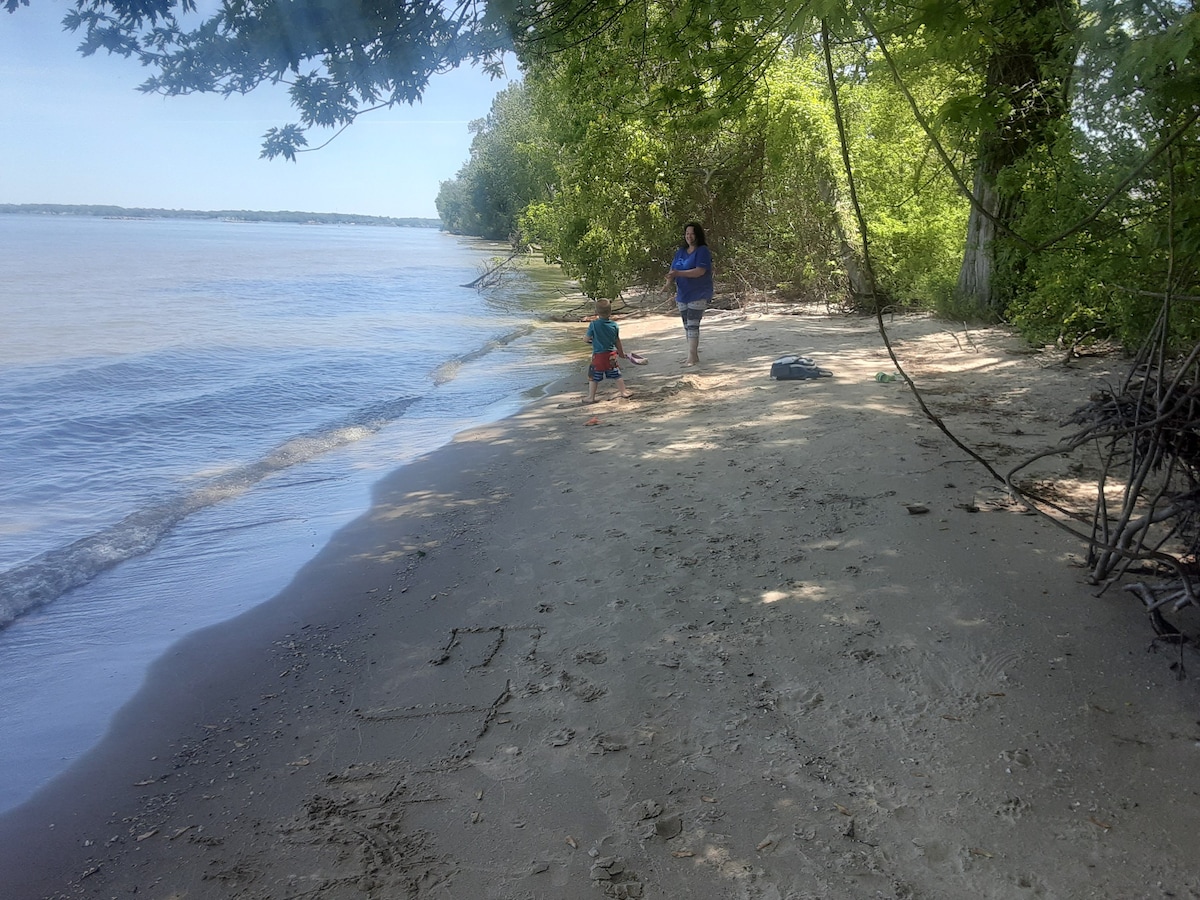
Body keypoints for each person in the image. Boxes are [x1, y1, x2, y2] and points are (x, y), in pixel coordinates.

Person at [663, 221, 713, 366]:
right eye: (687, 234)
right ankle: (692, 356)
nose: (689, 236)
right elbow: (673, 272)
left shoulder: (702, 250)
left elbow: (700, 271)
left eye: (692, 233)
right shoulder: (680, 252)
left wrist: (679, 273)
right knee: (687, 326)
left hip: (699, 293)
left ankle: (691, 357)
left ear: (697, 235)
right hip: (682, 294)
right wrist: (667, 284)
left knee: (692, 325)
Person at [584, 299, 631, 403]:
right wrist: (621, 353)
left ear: (596, 311)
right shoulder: (614, 325)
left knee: (593, 377)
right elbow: (617, 341)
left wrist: (588, 340)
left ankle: (591, 397)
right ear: (610, 312)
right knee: (617, 374)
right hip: (611, 355)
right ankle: (623, 392)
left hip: (598, 356)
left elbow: (586, 339)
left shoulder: (594, 325)